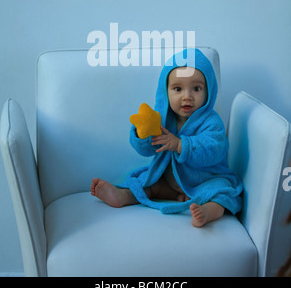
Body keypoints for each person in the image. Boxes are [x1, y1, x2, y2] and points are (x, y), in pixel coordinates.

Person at [91, 48, 243, 227]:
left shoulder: (211, 121)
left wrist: (181, 145)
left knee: (223, 193)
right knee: (146, 183)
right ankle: (123, 196)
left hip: (203, 182)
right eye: (178, 89)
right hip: (167, 184)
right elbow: (147, 150)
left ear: (209, 91)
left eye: (196, 88)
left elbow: (215, 149)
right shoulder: (161, 119)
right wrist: (142, 133)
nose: (187, 97)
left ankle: (208, 211)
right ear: (166, 91)